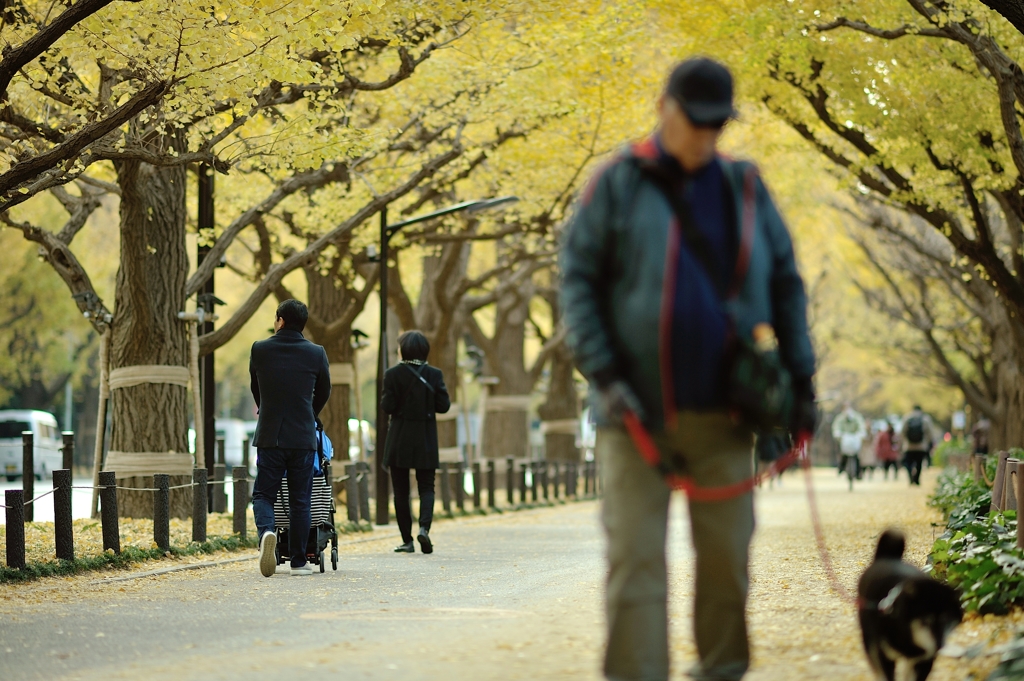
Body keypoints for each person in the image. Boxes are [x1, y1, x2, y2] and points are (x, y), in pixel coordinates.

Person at [560, 57, 816, 681]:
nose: (706, 137)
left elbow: (786, 283)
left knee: (728, 560)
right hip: (632, 415)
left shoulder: (745, 186)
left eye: (717, 126)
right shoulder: (616, 183)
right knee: (636, 562)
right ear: (663, 108)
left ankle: (721, 670)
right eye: (695, 122)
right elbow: (578, 282)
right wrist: (604, 373)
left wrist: (801, 383)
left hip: (726, 414)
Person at [250, 299, 331, 577]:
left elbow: (256, 387)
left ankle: (267, 534)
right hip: (302, 437)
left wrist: (267, 409)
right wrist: (309, 413)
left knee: (263, 493)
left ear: (280, 320)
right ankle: (298, 561)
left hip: (270, 435)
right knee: (300, 499)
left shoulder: (260, 349)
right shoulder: (316, 353)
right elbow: (324, 391)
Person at [382, 330, 450, 554]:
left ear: (403, 350)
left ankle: (407, 540)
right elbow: (443, 406)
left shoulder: (392, 374)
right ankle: (424, 529)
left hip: (400, 437)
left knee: (401, 491)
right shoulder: (434, 374)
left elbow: (387, 407)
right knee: (426, 488)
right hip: (425, 437)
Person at [901, 405, 935, 486]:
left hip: (909, 446)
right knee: (919, 463)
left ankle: (911, 477)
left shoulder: (907, 418)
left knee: (908, 463)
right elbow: (930, 433)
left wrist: (903, 442)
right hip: (921, 446)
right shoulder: (925, 419)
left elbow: (902, 432)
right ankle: (916, 479)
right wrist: (929, 442)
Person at [831, 404, 867, 480]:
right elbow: (836, 426)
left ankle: (858, 473)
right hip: (844, 439)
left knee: (857, 456)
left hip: (854, 439)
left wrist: (861, 433)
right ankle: (841, 468)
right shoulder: (840, 418)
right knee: (843, 454)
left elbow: (861, 426)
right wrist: (837, 433)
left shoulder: (857, 417)